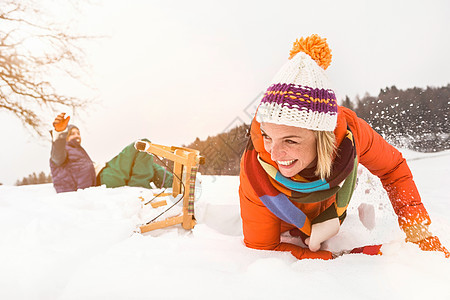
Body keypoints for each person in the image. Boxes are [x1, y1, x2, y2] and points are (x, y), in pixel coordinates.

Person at [239, 34, 449, 260]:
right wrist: (337, 258)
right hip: (283, 227)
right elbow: (263, 248)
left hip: (330, 212)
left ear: (323, 137)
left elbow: (392, 168)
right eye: (267, 136)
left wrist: (417, 230)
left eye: (291, 140)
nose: (274, 153)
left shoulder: (351, 134)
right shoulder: (256, 172)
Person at [49, 113, 173, 193]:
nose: (77, 136)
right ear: (64, 137)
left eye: (78, 133)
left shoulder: (76, 151)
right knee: (141, 145)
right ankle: (138, 189)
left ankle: (174, 183)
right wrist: (59, 133)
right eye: (72, 133)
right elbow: (57, 156)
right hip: (104, 177)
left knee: (146, 162)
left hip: (106, 174)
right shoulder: (62, 151)